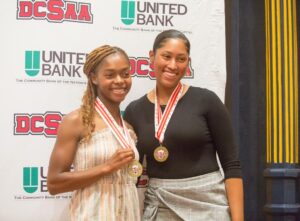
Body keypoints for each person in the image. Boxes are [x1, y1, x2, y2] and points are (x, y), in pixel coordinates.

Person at [124, 29, 244, 221]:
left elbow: (232, 165)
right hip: (160, 205)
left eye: (181, 59)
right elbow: (134, 170)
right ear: (152, 57)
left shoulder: (207, 100)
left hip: (208, 204)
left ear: (188, 62)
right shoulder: (134, 110)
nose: (173, 65)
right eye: (166, 56)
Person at [47, 45, 141, 221]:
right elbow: (53, 183)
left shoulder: (128, 128)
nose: (120, 80)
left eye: (125, 74)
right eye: (110, 75)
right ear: (94, 78)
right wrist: (107, 167)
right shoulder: (76, 121)